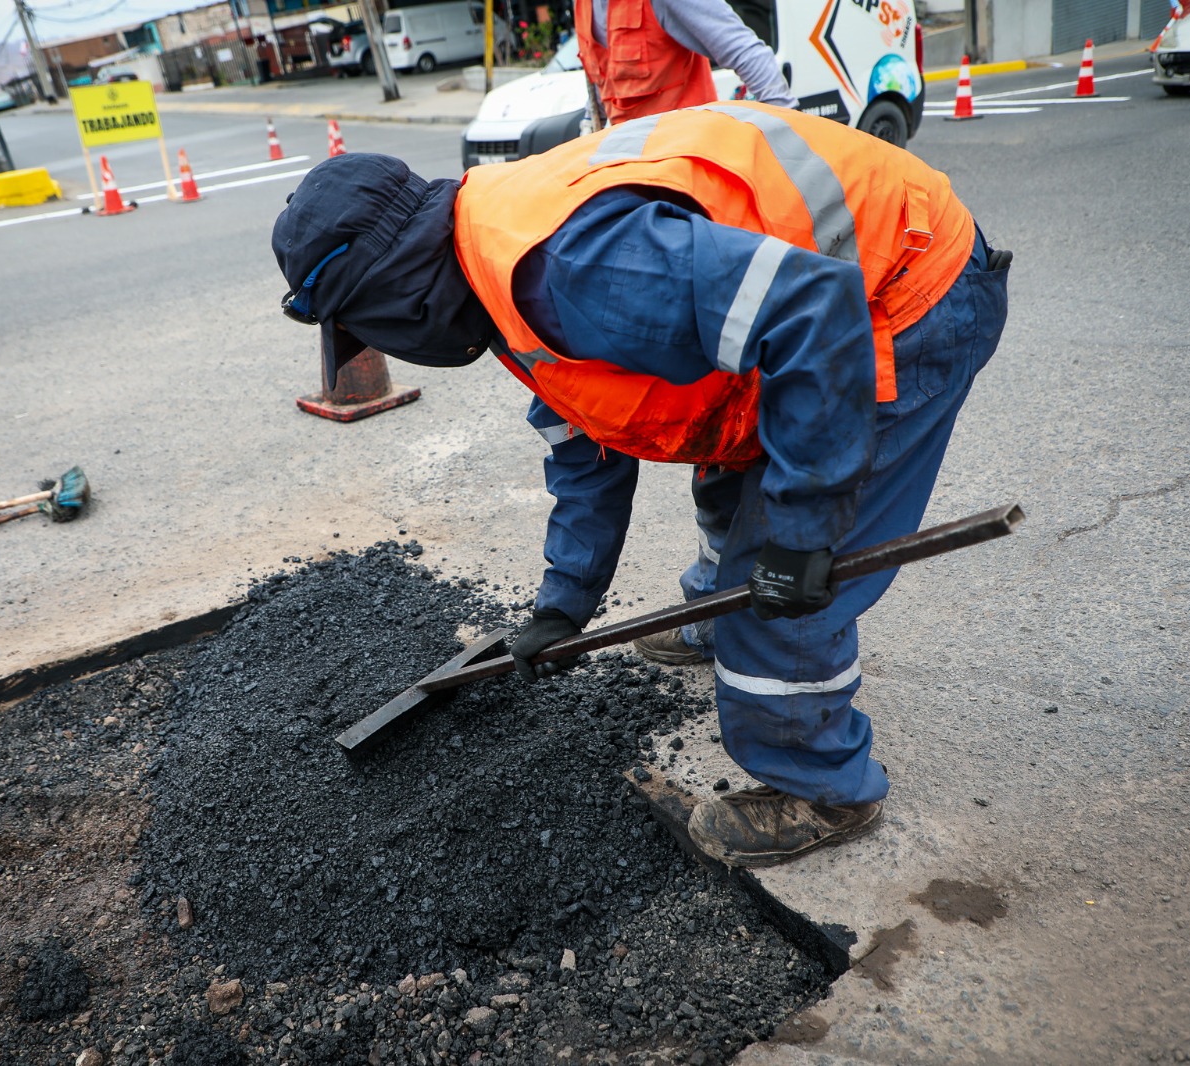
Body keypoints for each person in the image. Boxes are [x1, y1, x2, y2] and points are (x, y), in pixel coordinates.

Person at [271, 102, 1010, 866]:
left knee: (777, 583)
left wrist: (800, 539)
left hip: (905, 294)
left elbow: (816, 315)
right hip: (823, 309)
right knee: (732, 489)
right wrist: (564, 606)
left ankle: (823, 786)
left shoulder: (568, 267)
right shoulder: (488, 261)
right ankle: (722, 617)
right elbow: (583, 446)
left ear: (391, 296)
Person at [575, 0, 795, 665]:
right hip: (634, 209)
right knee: (694, 408)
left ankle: (722, 606)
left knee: (721, 408)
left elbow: (752, 58)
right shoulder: (587, 5)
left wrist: (776, 146)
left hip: (694, 210)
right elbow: (602, 100)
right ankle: (721, 595)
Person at [576, 0, 797, 122]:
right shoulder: (583, 5)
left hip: (686, 170)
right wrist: (588, 127)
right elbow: (604, 85)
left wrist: (793, 137)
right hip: (631, 175)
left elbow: (748, 54)